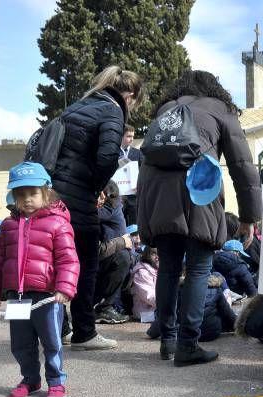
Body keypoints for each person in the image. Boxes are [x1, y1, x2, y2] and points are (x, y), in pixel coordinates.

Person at [137, 70, 262, 366]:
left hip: (158, 198)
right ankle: (188, 345)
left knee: (167, 268)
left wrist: (145, 218)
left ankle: (167, 340)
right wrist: (249, 217)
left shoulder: (166, 111)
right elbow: (242, 167)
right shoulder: (220, 110)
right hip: (199, 192)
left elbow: (145, 165)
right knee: (198, 269)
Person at [48, 65, 143, 351]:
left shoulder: (79, 106)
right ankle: (85, 332)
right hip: (79, 197)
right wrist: (97, 188)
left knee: (59, 261)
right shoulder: (112, 111)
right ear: (129, 95)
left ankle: (59, 328)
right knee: (85, 263)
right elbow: (106, 158)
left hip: (53, 193)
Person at [0, 162, 79, 397]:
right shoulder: (8, 225)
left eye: (33, 193)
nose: (27, 199)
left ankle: (56, 381)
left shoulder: (58, 224)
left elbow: (69, 260)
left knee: (51, 342)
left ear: (46, 192)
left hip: (47, 297)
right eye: (21, 194)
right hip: (17, 296)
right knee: (21, 343)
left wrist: (64, 288)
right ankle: (30, 379)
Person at [95, 180, 132, 324]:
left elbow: (90, 213)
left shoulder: (109, 210)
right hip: (102, 257)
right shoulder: (110, 208)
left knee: (123, 257)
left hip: (110, 256)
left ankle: (105, 307)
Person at [120, 124, 142, 225]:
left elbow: (143, 172)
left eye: (133, 136)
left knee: (134, 227)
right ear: (121, 136)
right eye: (128, 136)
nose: (131, 139)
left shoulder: (138, 153)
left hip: (133, 197)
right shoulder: (113, 153)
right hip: (117, 198)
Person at [131, 246, 158, 321]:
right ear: (147, 255)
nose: (157, 257)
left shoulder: (157, 269)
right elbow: (148, 296)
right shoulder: (142, 273)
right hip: (144, 313)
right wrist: (167, 302)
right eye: (154, 254)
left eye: (160, 254)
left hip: (156, 309)